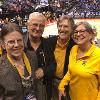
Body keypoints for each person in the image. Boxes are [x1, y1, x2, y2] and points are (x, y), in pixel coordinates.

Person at [59, 22, 100, 100]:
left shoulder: (98, 55)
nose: (78, 34)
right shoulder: (74, 49)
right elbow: (70, 71)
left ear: (91, 34)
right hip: (72, 97)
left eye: (82, 31)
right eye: (76, 32)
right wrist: (62, 84)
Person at [0, 22, 38, 100]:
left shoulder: (32, 56)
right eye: (11, 42)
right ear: (3, 44)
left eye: (19, 40)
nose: (16, 45)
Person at [25, 12, 56, 100]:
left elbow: (53, 66)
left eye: (41, 26)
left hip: (44, 92)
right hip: (24, 92)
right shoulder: (20, 43)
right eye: (35, 24)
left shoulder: (47, 44)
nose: (38, 28)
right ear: (27, 24)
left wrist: (44, 70)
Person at [47, 15, 75, 100]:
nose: (62, 29)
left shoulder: (76, 45)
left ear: (72, 29)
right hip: (51, 83)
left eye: (66, 26)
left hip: (68, 85)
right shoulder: (49, 42)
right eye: (60, 26)